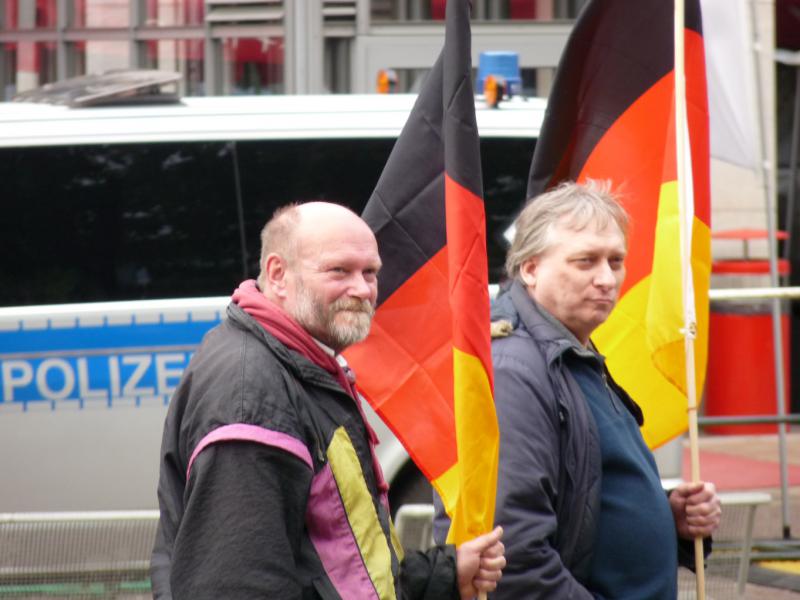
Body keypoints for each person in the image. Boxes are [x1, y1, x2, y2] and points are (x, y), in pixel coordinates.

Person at [150, 201, 505, 599]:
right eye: (339, 271)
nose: (362, 289)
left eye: (370, 272)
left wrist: (445, 575)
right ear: (278, 274)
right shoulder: (252, 393)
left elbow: (341, 563)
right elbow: (236, 585)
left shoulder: (298, 363)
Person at [434, 181, 721, 599]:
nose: (607, 279)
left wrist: (667, 514)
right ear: (530, 269)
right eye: (585, 261)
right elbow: (511, 552)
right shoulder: (514, 368)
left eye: (616, 261)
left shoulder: (569, 347)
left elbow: (580, 487)